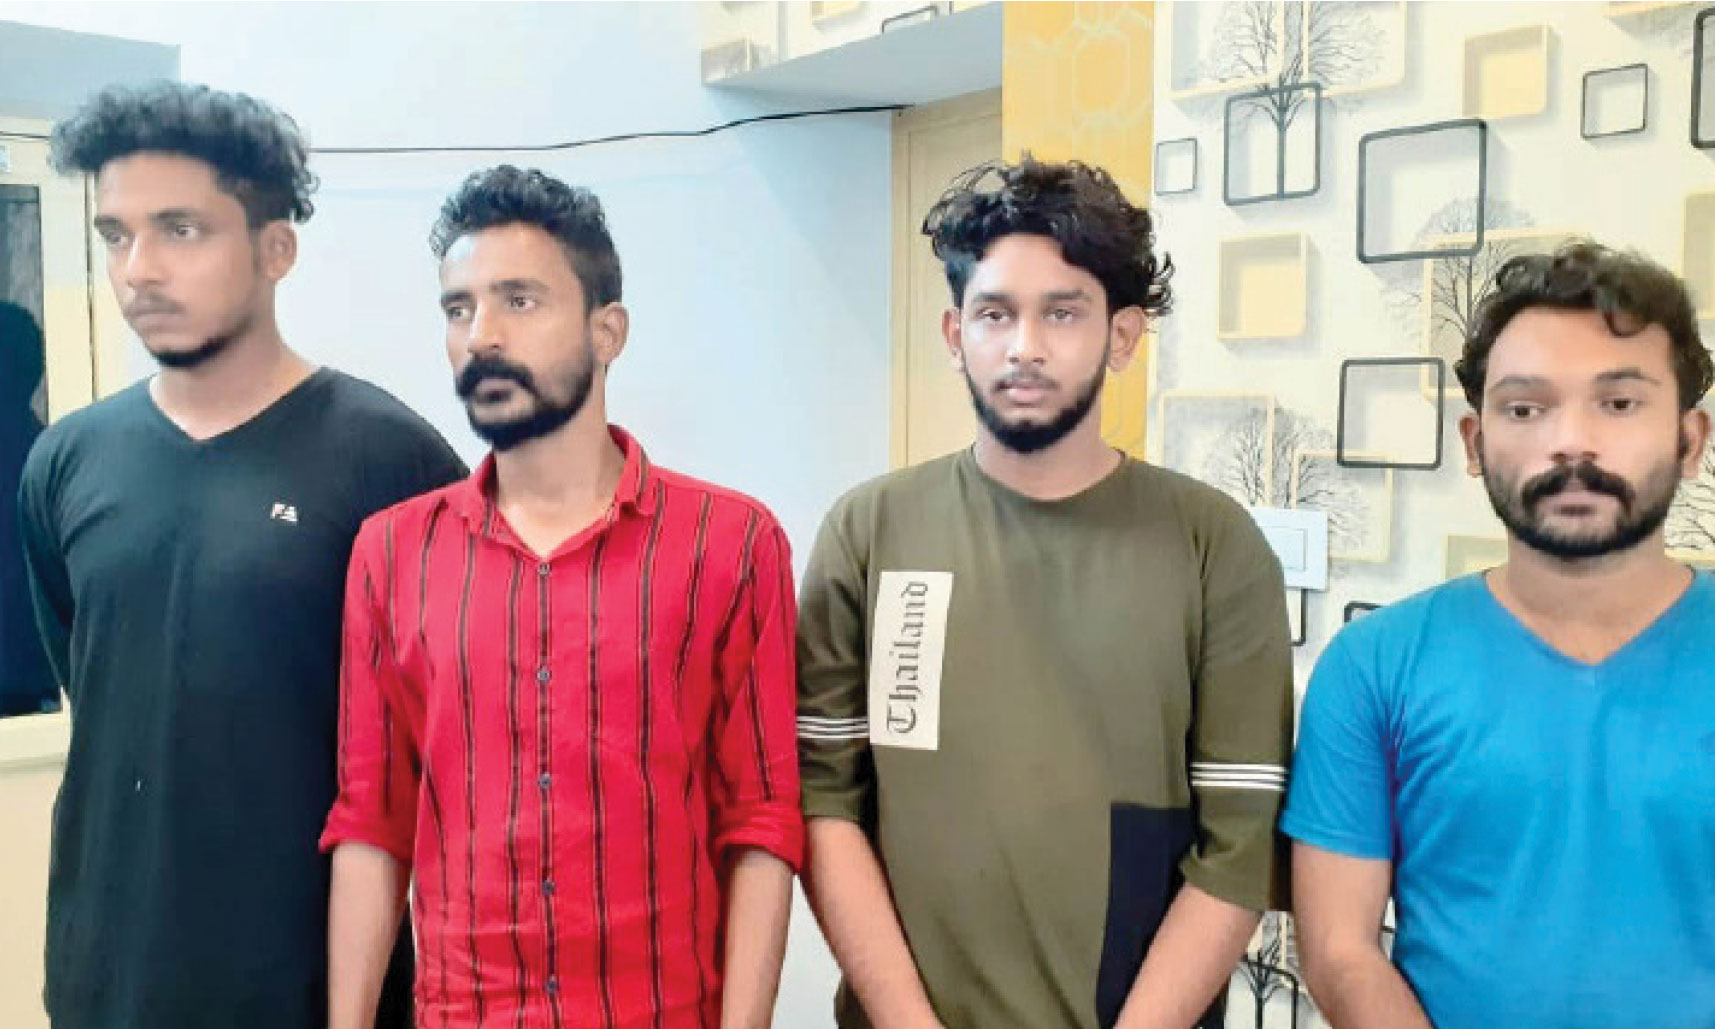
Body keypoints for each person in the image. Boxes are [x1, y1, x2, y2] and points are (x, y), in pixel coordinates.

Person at [795, 156, 1294, 1029]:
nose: (1023, 345)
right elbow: (823, 802)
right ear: (954, 334)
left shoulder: (1211, 545)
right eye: (995, 313)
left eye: (1061, 312)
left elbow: (1239, 846)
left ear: (1122, 336)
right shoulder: (870, 531)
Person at [18, 80, 463, 1029]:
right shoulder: (66, 461)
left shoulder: (392, 462)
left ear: (275, 250)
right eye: (115, 235)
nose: (137, 270)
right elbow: (100, 687)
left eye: (180, 230)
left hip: (313, 991)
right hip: (107, 984)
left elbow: (445, 752)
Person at [321, 165, 803, 1029]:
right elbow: (372, 822)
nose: (482, 335)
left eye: (520, 301)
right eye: (459, 308)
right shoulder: (391, 554)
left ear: (606, 330)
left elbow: (761, 822)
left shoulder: (729, 545)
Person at [1284, 241, 1715, 1027]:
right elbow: (1339, 949)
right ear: (1474, 443)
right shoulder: (1374, 666)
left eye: (1618, 403)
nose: (1571, 441)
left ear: (1689, 440)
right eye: (1524, 409)